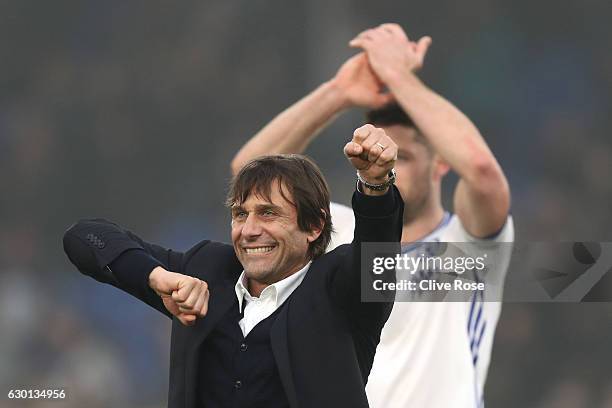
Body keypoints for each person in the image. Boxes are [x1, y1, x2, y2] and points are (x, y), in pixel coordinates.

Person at [231, 24, 514, 407]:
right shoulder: (339, 231)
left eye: (404, 156)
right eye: (378, 149)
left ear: (441, 162)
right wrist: (338, 93)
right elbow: (249, 175)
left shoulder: (471, 246)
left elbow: (482, 172)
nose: (387, 159)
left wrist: (397, 76)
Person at [63, 126, 403, 408]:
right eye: (241, 214)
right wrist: (156, 277)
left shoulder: (340, 288)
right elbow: (84, 238)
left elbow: (377, 256)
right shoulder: (205, 272)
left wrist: (375, 185)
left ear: (314, 226)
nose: (250, 229)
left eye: (268, 213)